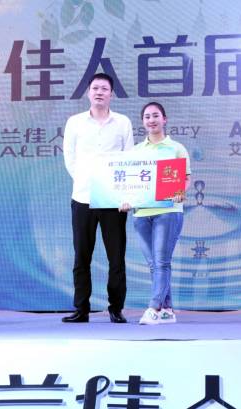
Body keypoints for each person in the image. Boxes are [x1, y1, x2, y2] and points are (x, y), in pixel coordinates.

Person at [62, 73, 134, 323]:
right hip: (83, 197)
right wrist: (88, 181)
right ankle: (81, 309)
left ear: (111, 94)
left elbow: (129, 159)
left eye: (104, 88)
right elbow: (70, 158)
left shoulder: (123, 122)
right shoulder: (75, 122)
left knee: (116, 256)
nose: (99, 92)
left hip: (113, 200)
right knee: (82, 255)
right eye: (95, 88)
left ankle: (116, 308)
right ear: (88, 93)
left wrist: (121, 193)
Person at [120, 102, 191, 325]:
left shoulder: (176, 148)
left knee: (161, 262)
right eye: (147, 117)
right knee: (154, 264)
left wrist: (180, 191)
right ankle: (167, 310)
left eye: (156, 116)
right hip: (141, 214)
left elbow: (185, 178)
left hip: (167, 211)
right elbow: (129, 182)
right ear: (143, 122)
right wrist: (125, 200)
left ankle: (153, 308)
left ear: (164, 119)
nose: (151, 120)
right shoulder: (136, 152)